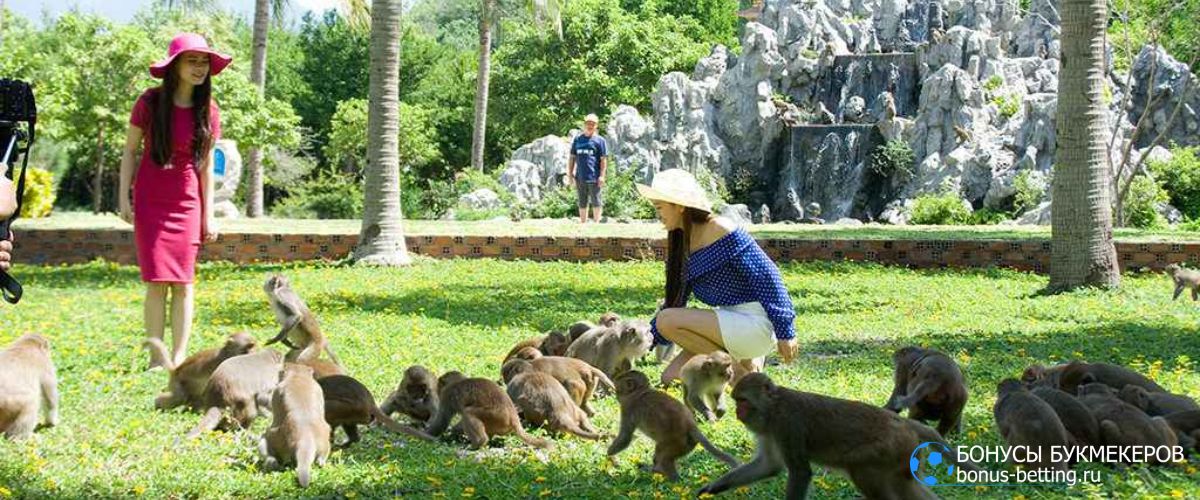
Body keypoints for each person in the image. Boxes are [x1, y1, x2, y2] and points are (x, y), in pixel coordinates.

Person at [118, 33, 230, 369]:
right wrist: (124, 196)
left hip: (187, 202)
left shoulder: (208, 110)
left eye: (204, 62)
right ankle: (157, 358)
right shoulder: (149, 103)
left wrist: (208, 214)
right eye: (192, 60)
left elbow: (207, 165)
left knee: (183, 283)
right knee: (156, 282)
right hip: (151, 199)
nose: (199, 68)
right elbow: (129, 150)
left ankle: (179, 358)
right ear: (175, 65)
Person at [638, 169, 798, 385]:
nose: (657, 214)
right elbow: (676, 301)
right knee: (671, 377)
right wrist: (640, 343)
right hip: (728, 323)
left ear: (680, 205)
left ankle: (741, 379)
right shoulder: (681, 240)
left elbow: (768, 278)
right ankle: (749, 364)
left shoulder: (722, 229)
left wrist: (785, 331)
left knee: (666, 319)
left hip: (754, 323)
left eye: (660, 207)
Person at [567, 113, 607, 223]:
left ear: (596, 125)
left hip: (594, 176)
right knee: (582, 201)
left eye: (593, 124)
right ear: (585, 124)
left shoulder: (600, 141)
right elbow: (572, 158)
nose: (590, 125)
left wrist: (602, 176)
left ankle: (596, 224)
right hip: (580, 176)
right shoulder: (578, 140)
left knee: (596, 200)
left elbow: (603, 160)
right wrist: (570, 175)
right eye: (588, 123)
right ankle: (583, 223)